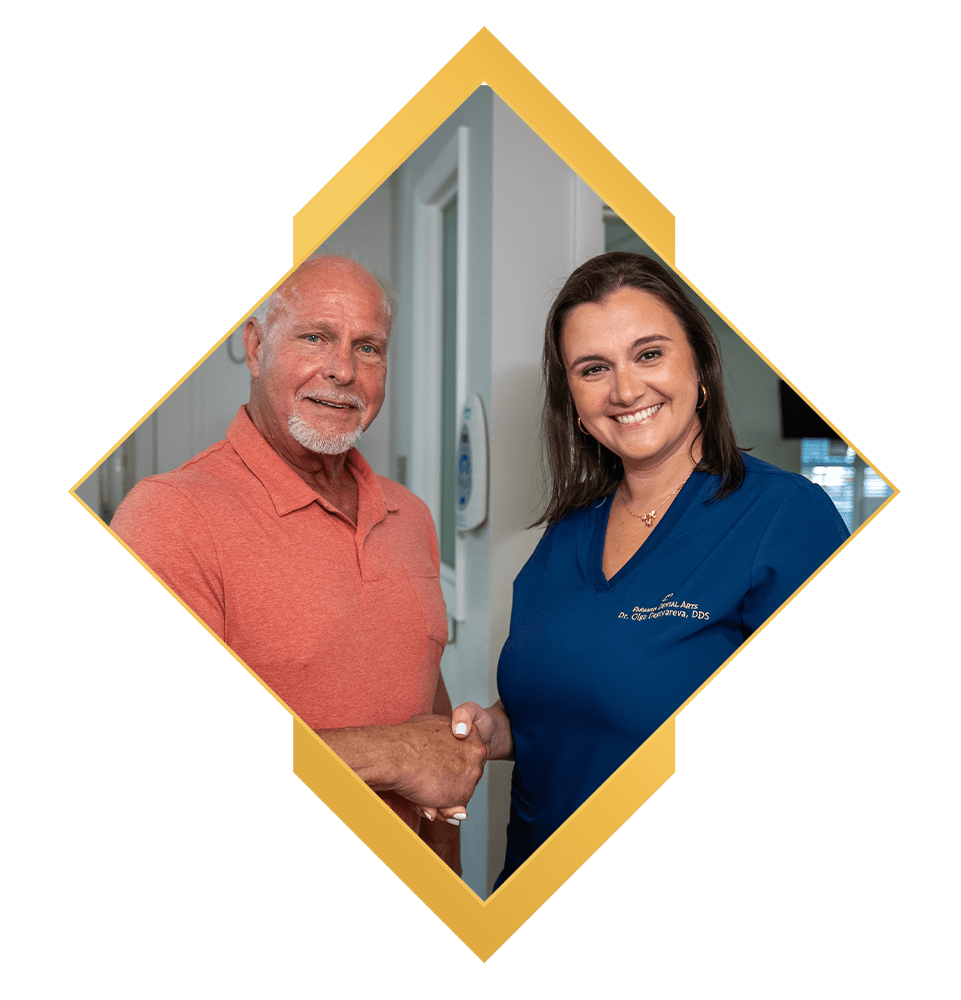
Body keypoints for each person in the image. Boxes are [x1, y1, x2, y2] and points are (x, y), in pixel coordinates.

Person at [438, 252, 850, 889]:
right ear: (574, 401)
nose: (625, 390)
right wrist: (494, 729)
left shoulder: (785, 517)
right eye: (594, 368)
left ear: (700, 370)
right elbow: (574, 707)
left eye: (649, 354)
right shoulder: (568, 531)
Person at [110, 253, 487, 874]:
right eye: (315, 337)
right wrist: (388, 754)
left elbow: (423, 693)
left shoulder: (411, 515)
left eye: (369, 348)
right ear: (255, 347)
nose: (342, 370)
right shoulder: (168, 516)